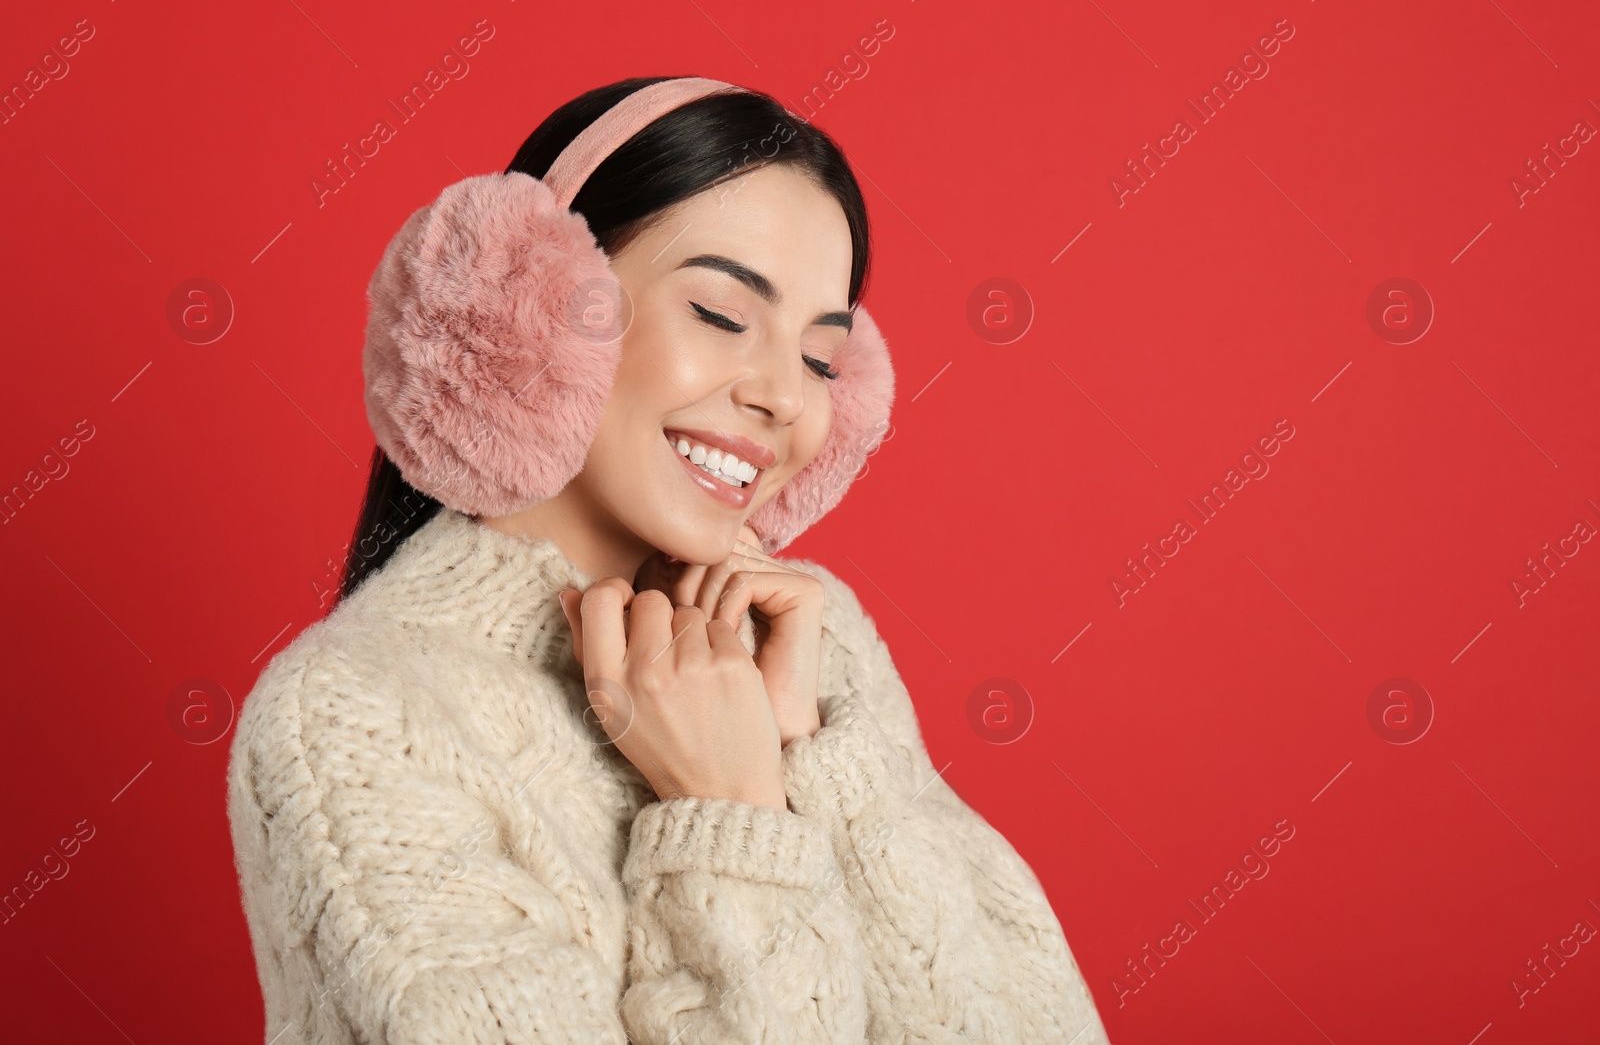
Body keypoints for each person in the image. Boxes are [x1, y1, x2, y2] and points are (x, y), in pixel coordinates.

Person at [225, 74, 1112, 1044]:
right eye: (723, 315)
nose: (784, 395)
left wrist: (816, 766)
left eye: (820, 359)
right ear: (527, 309)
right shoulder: (353, 716)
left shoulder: (807, 637)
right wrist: (733, 817)